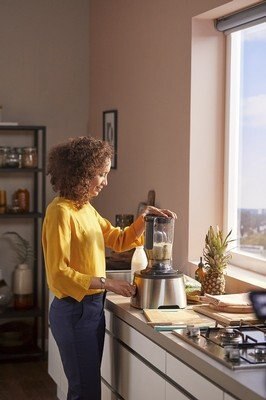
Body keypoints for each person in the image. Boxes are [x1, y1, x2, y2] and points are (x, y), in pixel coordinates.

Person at [42, 136, 177, 400]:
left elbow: (118, 239)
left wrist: (144, 218)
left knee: (89, 388)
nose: (105, 181)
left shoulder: (85, 209)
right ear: (81, 173)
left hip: (91, 309)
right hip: (74, 311)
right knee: (85, 391)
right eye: (101, 174)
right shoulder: (60, 212)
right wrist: (109, 283)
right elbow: (58, 273)